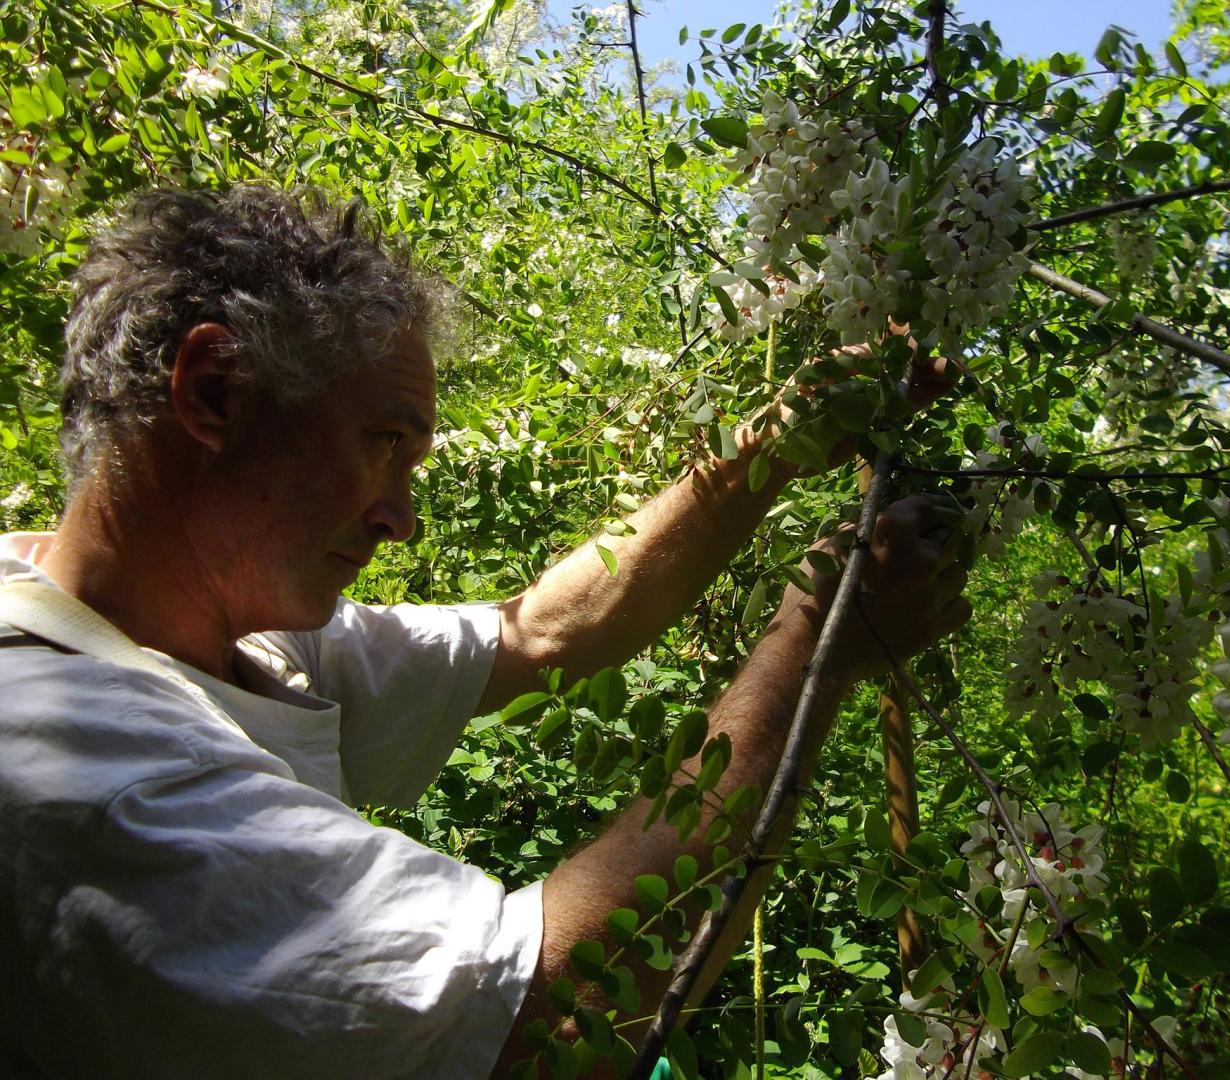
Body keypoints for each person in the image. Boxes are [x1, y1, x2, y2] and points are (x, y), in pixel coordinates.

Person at [0, 185, 971, 1077]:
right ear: (212, 391)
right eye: (386, 444)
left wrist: (773, 443)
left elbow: (542, 633)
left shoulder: (226, 641)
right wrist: (815, 646)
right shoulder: (82, 767)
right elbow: (548, 1023)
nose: (400, 518)